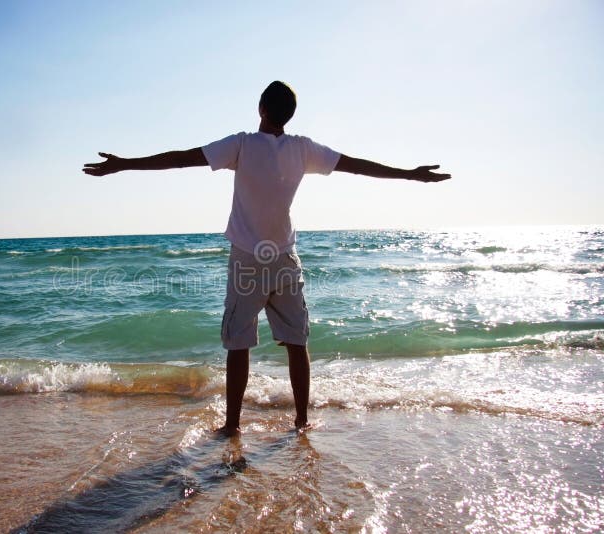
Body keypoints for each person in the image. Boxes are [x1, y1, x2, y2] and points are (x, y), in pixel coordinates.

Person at [83, 81, 450, 436]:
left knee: (238, 343)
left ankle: (233, 425)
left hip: (247, 261)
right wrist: (410, 175)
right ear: (288, 116)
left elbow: (182, 159)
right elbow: (355, 165)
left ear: (261, 108)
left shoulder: (241, 144)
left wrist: (125, 164)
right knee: (297, 343)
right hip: (286, 260)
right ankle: (302, 420)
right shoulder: (303, 149)